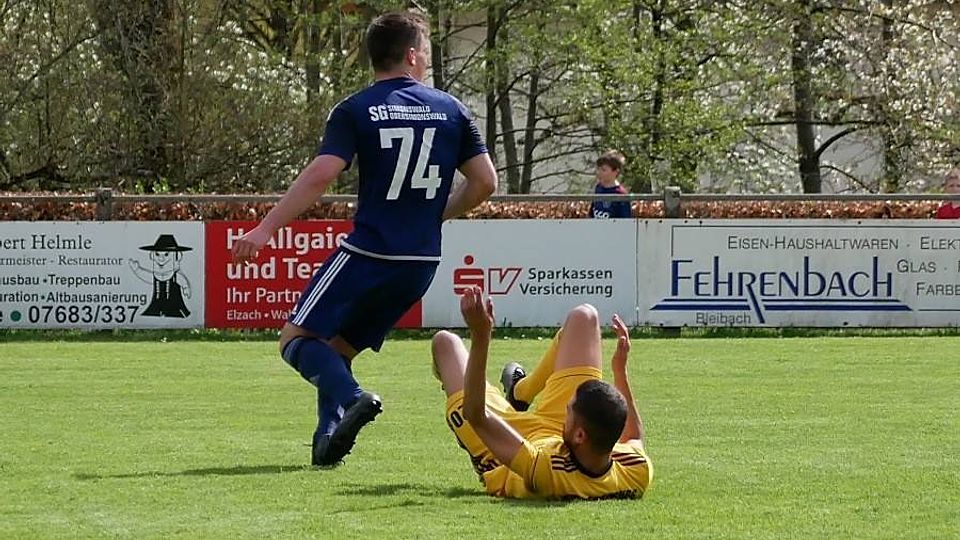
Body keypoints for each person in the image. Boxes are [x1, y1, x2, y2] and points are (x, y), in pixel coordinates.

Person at [231, 11, 497, 467]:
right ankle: (326, 443)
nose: (425, 60)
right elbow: (485, 182)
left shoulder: (355, 109)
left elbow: (322, 173)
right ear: (411, 55)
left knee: (294, 340)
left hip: (369, 251)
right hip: (420, 263)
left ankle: (354, 397)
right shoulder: (453, 110)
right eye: (425, 52)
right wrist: (436, 215)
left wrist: (266, 227)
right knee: (336, 348)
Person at [432, 288, 652, 500]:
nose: (566, 409)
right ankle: (521, 392)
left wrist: (481, 335)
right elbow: (633, 437)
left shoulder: (548, 470)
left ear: (580, 435)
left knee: (445, 343)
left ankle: (516, 395)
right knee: (584, 317)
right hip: (567, 437)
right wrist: (619, 371)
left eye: (568, 410)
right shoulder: (636, 471)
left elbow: (476, 415)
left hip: (504, 445)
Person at [590, 150, 631, 219]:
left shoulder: (621, 194)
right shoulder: (598, 188)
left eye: (603, 170)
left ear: (615, 171)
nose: (599, 173)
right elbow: (591, 213)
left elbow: (625, 221)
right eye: (598, 169)